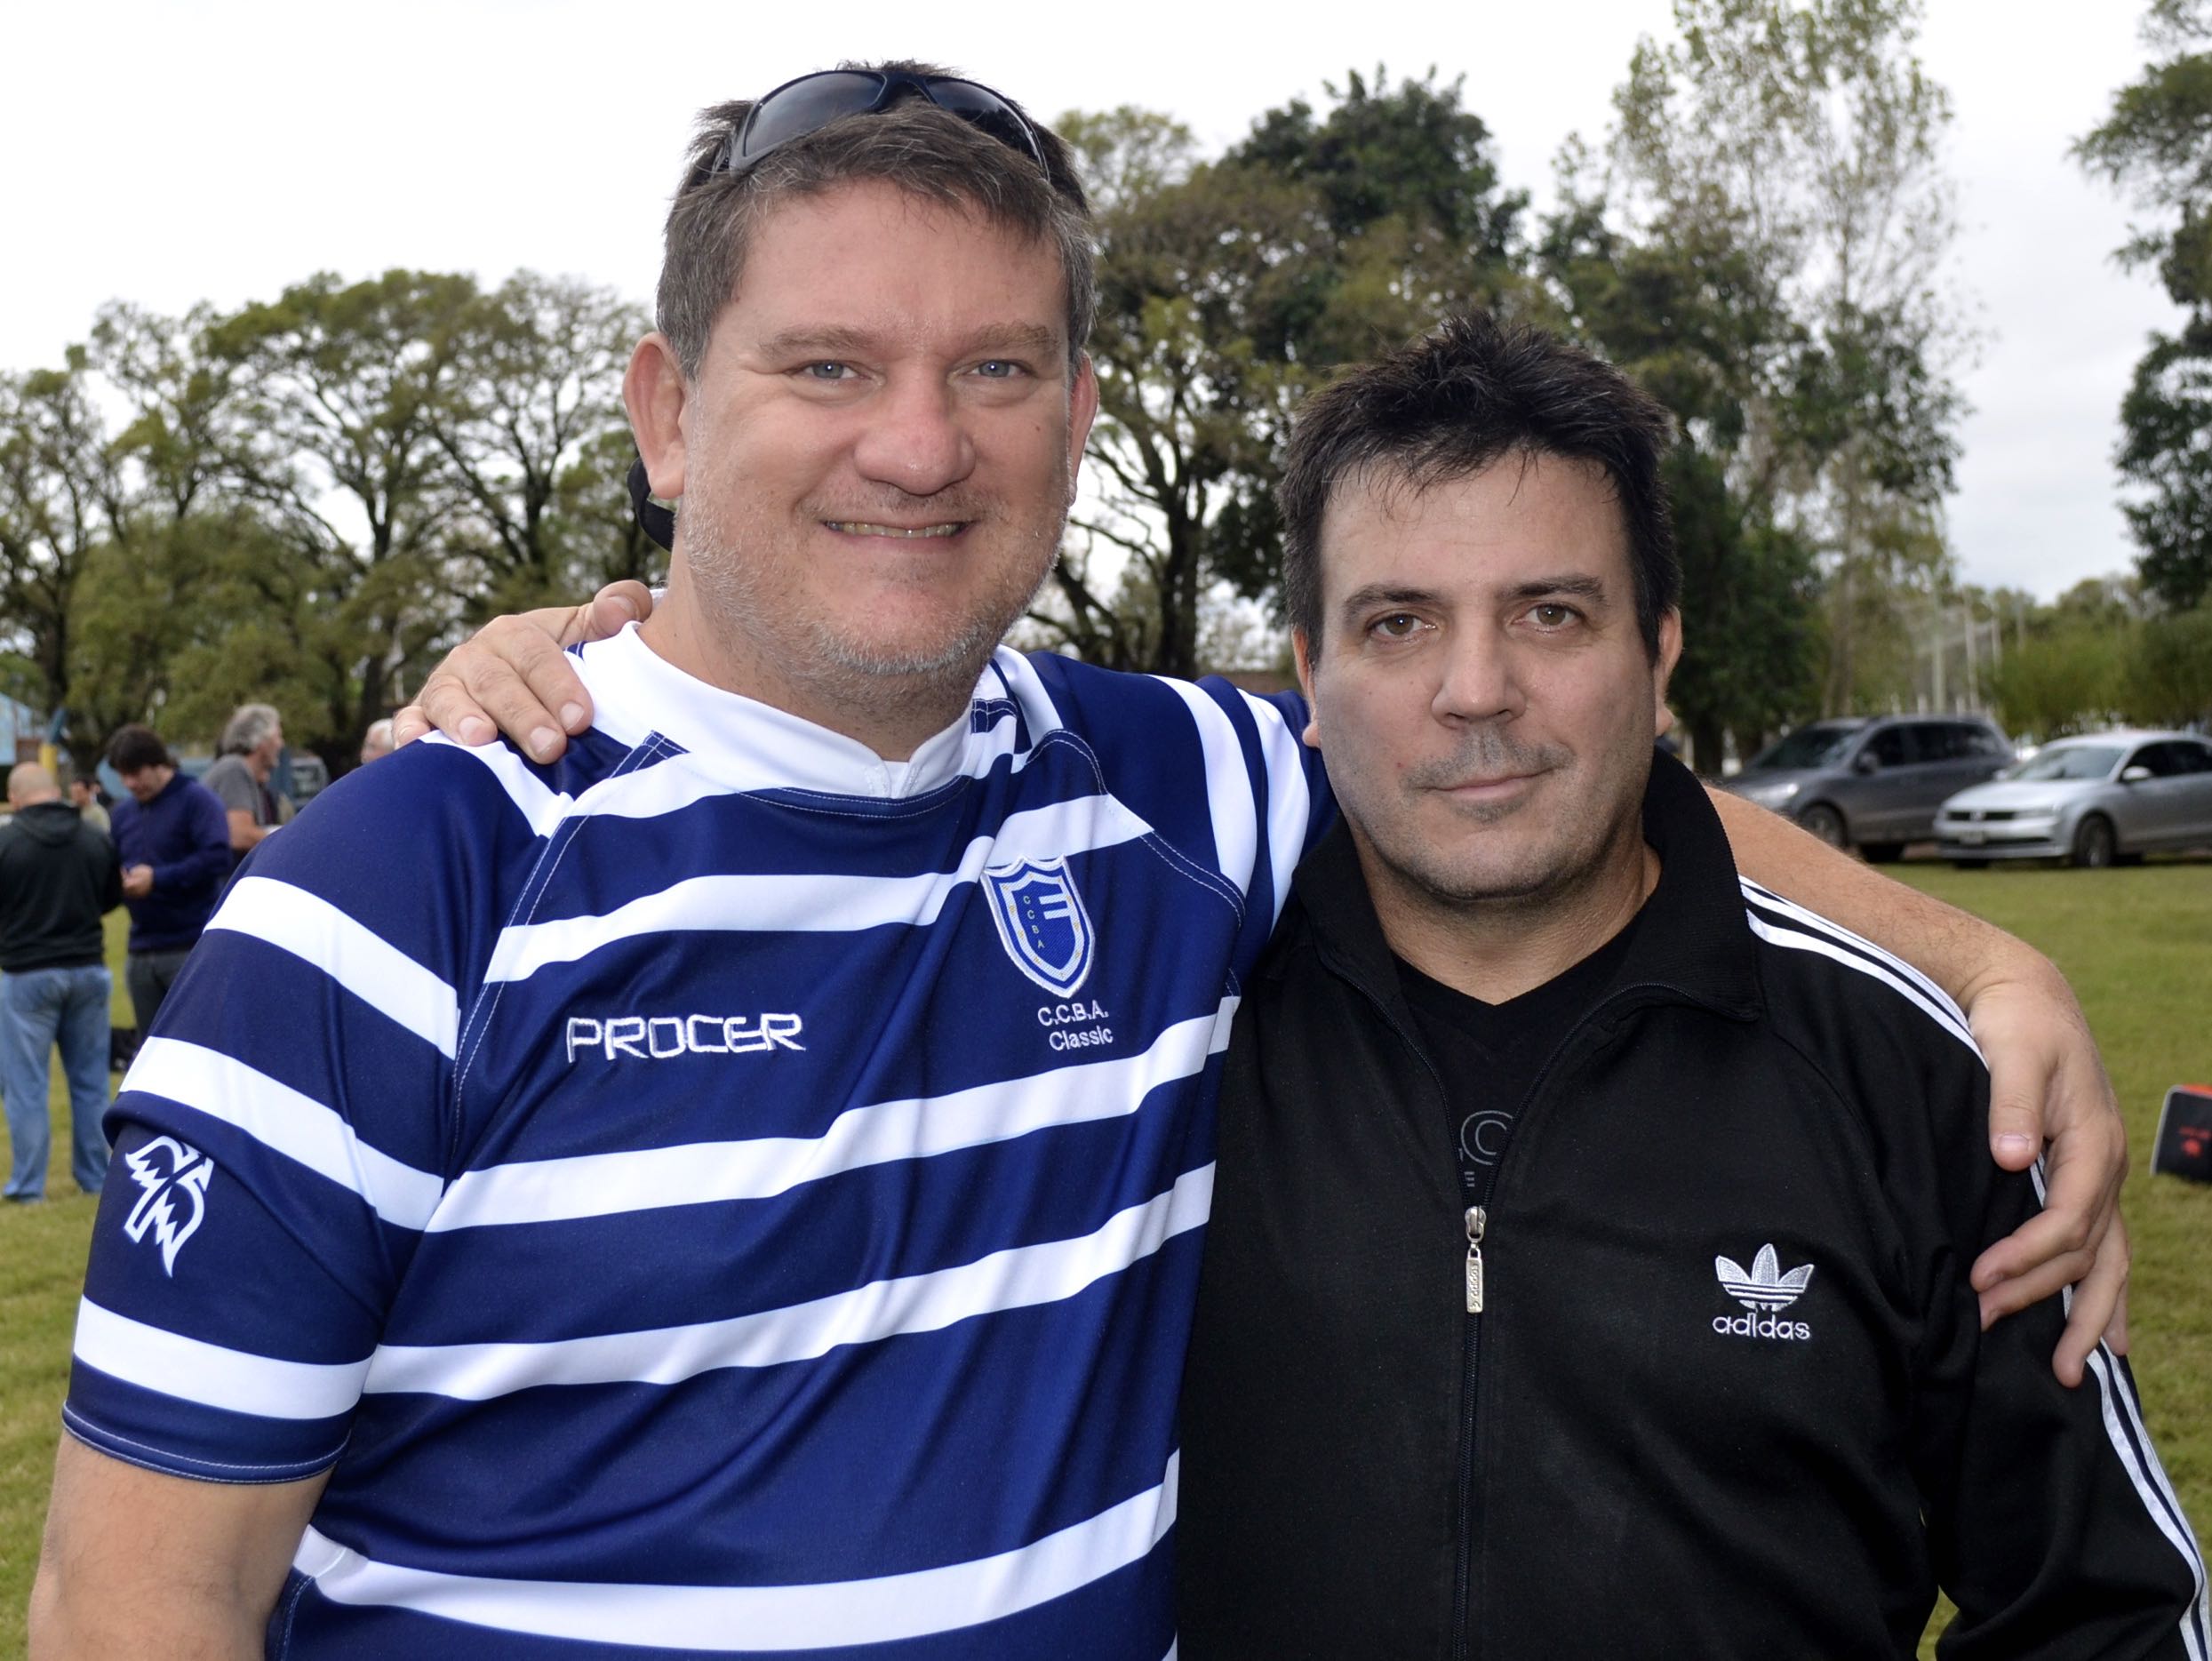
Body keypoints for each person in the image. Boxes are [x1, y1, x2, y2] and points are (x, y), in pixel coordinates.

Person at [33, 65, 2127, 1657]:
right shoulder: (394, 896)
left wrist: (1979, 965)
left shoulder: (1168, 787)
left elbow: (1519, 767)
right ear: (667, 414)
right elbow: (139, 1602)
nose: (918, 442)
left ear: (1075, 412)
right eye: (828, 367)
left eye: (994, 369)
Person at [1171, 315, 2208, 1657]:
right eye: (1398, 621)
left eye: (1550, 613)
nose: (1474, 689)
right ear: (1309, 675)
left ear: (1658, 658)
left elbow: (2106, 1612)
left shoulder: (1910, 1078)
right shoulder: (1169, 1052)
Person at [0, 763, 121, 1202]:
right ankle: (96, 1177)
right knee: (91, 1082)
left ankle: (28, 1186)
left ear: (15, 798)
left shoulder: (7, 842)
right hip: (88, 966)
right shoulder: (94, 836)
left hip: (27, 972)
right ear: (55, 791)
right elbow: (111, 897)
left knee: (26, 1085)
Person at [105, 724, 232, 1034]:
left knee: (197, 1040)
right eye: (123, 775)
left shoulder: (197, 801)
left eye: (136, 773)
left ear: (158, 764)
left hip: (189, 945)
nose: (129, 783)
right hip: (140, 948)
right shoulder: (122, 814)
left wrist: (158, 878)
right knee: (150, 1049)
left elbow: (217, 857)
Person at [200, 701, 287, 868]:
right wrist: (288, 839)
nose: (281, 744)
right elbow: (239, 835)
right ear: (261, 740)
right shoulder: (234, 769)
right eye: (278, 736)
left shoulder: (247, 775)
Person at [67, 773, 110, 839]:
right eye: (73, 793)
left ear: (89, 791)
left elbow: (105, 834)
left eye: (79, 792)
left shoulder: (99, 812)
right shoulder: (67, 809)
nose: (75, 796)